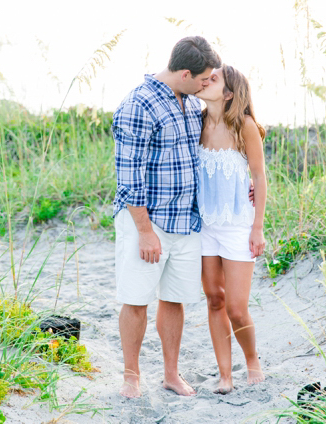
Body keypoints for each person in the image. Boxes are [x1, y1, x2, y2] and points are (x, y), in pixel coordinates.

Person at [112, 36, 221, 398]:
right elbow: (128, 176)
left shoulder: (190, 103)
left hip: (185, 220)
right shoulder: (138, 104)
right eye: (205, 79)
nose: (208, 85)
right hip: (148, 221)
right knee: (137, 298)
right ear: (186, 73)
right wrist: (144, 231)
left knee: (175, 299)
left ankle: (171, 374)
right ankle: (132, 377)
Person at [195, 64, 267, 394]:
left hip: (238, 226)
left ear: (228, 92)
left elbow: (259, 177)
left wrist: (257, 228)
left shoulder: (245, 127)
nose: (204, 81)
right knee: (214, 299)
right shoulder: (194, 123)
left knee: (236, 308)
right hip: (205, 226)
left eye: (213, 79)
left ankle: (251, 361)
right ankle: (225, 375)